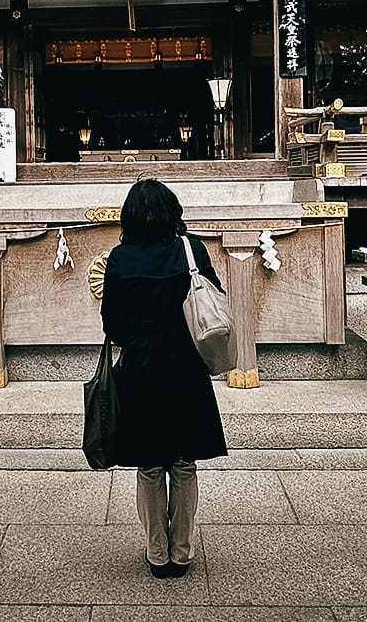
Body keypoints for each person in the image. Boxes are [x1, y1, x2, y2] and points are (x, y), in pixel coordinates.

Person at [100, 178, 228, 579]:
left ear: (130, 216)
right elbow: (213, 304)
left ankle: (158, 553)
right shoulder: (192, 251)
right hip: (186, 369)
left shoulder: (120, 258)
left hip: (141, 370)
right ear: (173, 211)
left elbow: (112, 324)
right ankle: (183, 550)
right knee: (184, 462)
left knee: (150, 465)